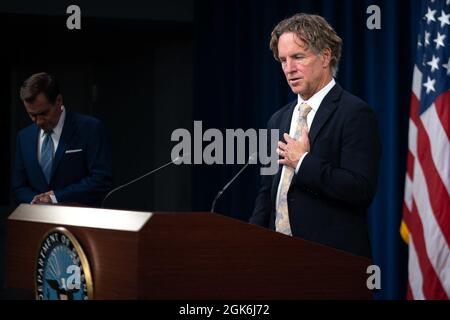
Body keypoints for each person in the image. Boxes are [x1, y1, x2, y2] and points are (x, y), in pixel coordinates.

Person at [250, 13, 381, 257]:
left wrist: (303, 162)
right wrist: (249, 243)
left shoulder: (355, 113)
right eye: (283, 60)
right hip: (276, 262)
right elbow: (267, 194)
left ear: (325, 56)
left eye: (298, 57)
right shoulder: (277, 120)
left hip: (330, 263)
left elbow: (360, 190)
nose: (289, 69)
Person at [12, 72, 112, 207]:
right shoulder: (24, 137)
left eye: (43, 113)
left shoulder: (90, 128)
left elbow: (101, 180)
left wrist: (55, 197)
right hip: (35, 223)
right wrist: (36, 200)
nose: (39, 122)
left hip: (79, 221)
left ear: (58, 101)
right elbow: (18, 187)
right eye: (32, 115)